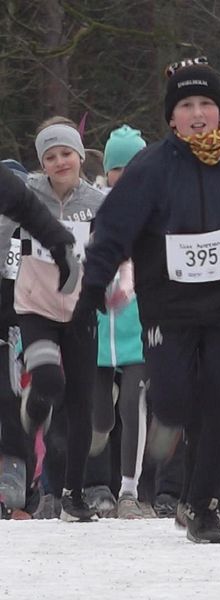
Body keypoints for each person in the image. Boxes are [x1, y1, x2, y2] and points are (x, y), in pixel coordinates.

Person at [74, 57, 220, 543]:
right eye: (186, 105)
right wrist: (95, 284)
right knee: (176, 400)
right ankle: (178, 430)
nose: (197, 113)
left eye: (206, 103)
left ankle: (202, 506)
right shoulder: (151, 167)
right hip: (168, 303)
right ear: (171, 117)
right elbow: (113, 227)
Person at [0, 118, 105, 522]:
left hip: (80, 311)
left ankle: (73, 494)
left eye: (66, 154)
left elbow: (114, 251)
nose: (60, 162)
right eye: (50, 156)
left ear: (80, 157)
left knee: (82, 405)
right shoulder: (27, 196)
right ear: (42, 163)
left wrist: (116, 287)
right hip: (35, 306)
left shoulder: (97, 204)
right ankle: (37, 400)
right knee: (47, 378)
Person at [0, 161, 78, 518]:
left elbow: (25, 204)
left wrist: (60, 243)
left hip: (18, 317)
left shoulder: (18, 212)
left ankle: (20, 483)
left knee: (12, 396)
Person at [89, 125, 150, 519]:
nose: (124, 177)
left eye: (133, 168)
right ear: (107, 172)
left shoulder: (156, 212)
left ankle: (129, 490)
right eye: (117, 169)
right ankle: (95, 483)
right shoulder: (92, 209)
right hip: (96, 330)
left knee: (133, 405)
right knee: (100, 417)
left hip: (137, 330)